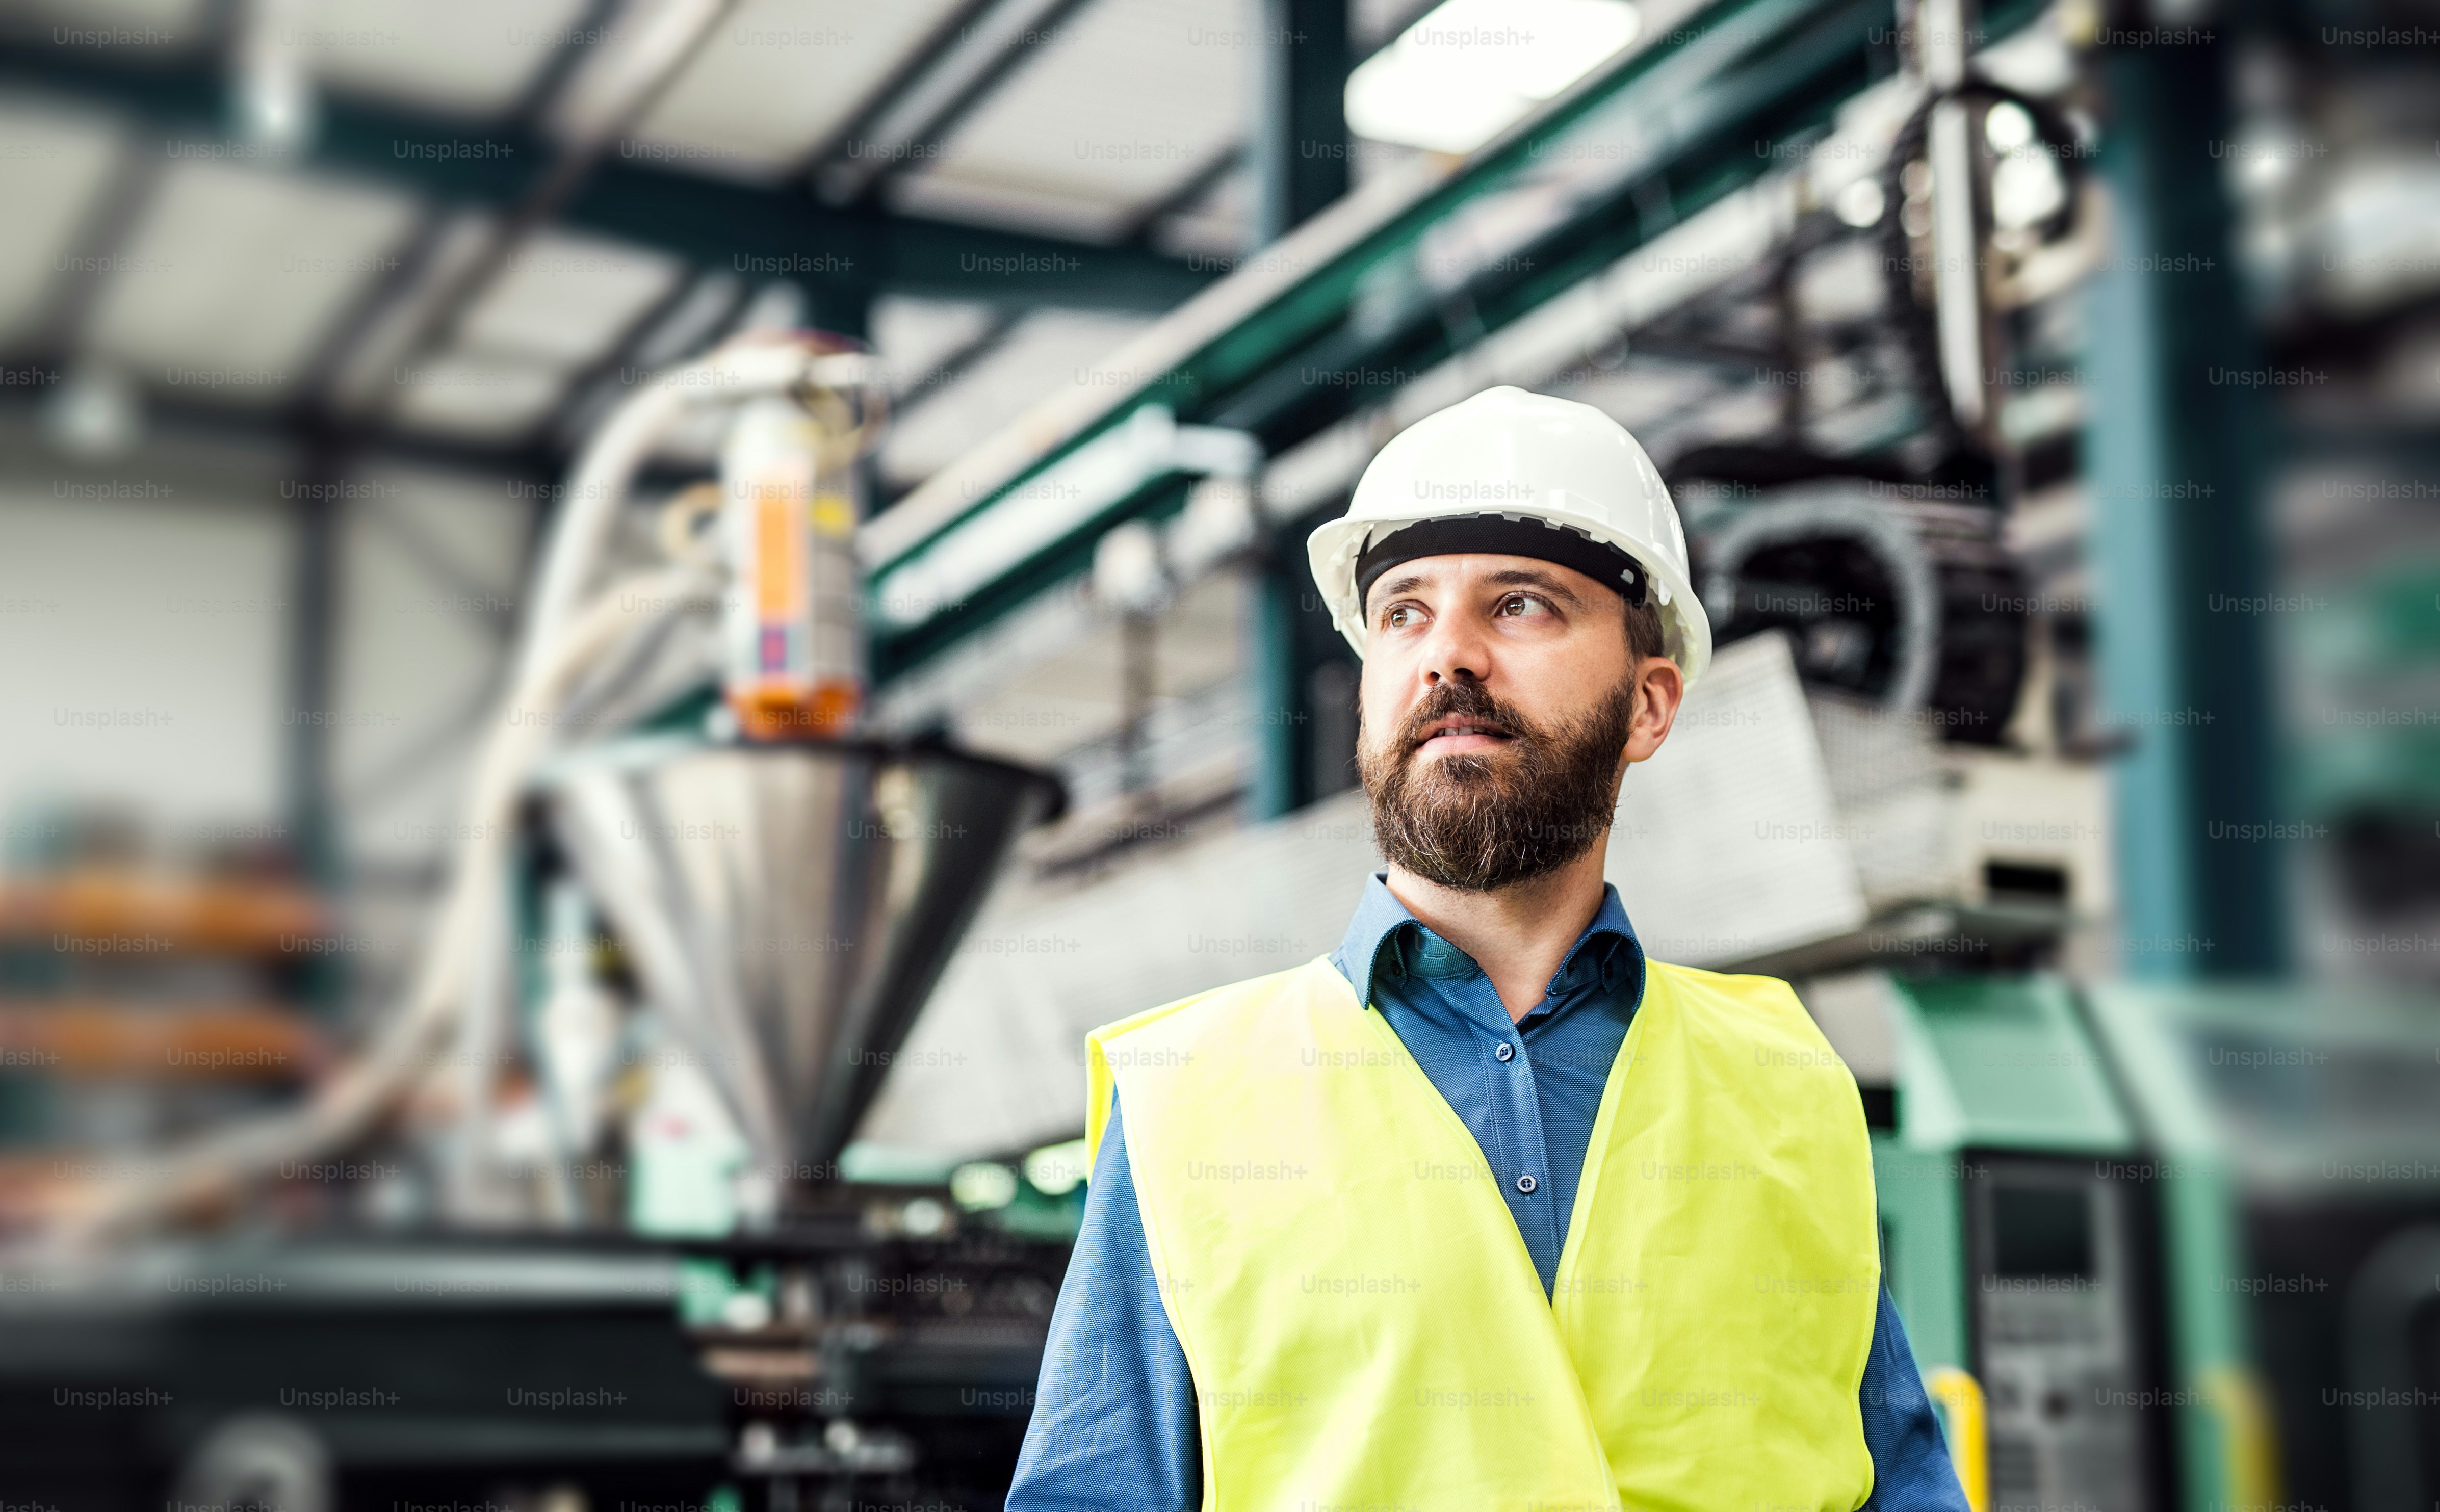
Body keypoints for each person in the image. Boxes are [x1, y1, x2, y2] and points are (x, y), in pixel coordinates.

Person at [1006, 386, 1967, 1512]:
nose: (1446, 654)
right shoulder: (1191, 1100)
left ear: (1649, 705)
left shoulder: (1787, 1086)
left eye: (1519, 605)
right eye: (1401, 613)